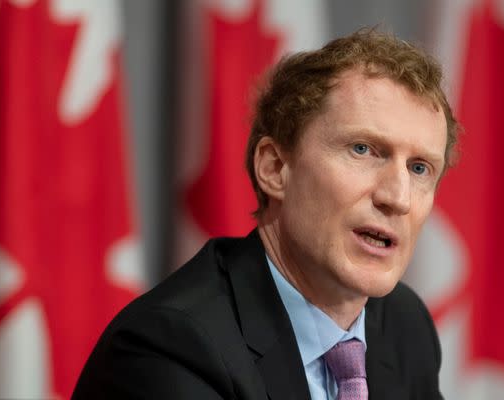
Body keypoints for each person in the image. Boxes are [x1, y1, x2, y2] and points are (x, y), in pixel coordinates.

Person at [73, 29, 459, 400]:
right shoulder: (171, 350)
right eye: (363, 149)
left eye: (420, 168)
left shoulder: (403, 325)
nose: (398, 197)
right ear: (275, 169)